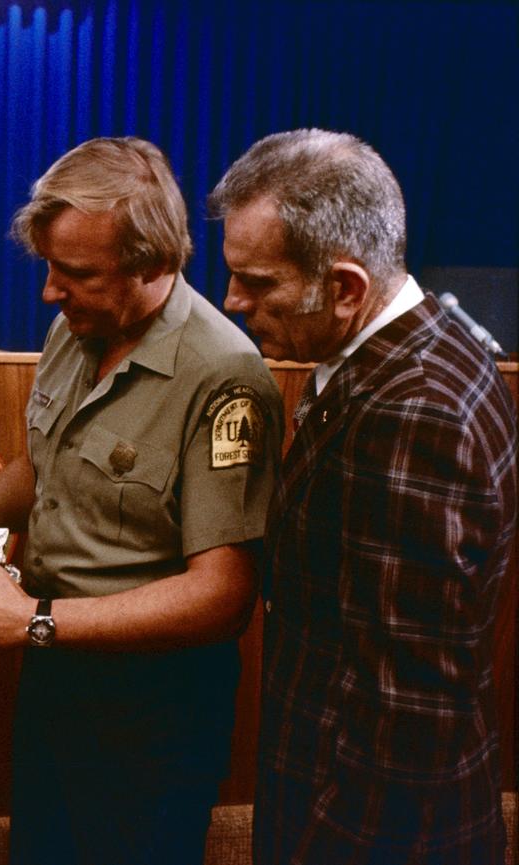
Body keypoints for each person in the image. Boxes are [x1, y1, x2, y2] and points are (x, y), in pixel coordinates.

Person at [0, 137, 283, 864]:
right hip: (56, 677)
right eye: (50, 266)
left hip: (154, 711)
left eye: (74, 272)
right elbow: (53, 466)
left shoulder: (224, 376)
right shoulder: (77, 325)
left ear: (152, 265)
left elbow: (225, 594)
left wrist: (35, 619)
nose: (51, 290)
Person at [211, 129, 517, 864]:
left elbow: (403, 727)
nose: (232, 301)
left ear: (345, 287)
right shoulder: (419, 346)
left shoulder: (415, 413)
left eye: (258, 283)